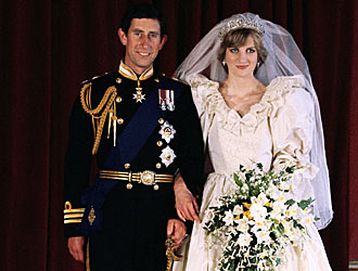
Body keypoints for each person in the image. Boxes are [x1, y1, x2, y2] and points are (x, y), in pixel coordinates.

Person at [173, 13, 333, 270]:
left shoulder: (281, 100)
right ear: (223, 54)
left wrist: (266, 204)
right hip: (218, 201)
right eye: (234, 49)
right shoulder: (204, 98)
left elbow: (290, 159)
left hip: (268, 203)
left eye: (250, 50)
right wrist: (180, 184)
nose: (242, 58)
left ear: (260, 55)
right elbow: (185, 150)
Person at [63, 4, 204, 271]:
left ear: (162, 42)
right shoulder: (94, 92)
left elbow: (193, 156)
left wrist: (178, 215)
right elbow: (76, 163)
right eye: (137, 33)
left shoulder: (178, 95)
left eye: (152, 35)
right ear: (122, 36)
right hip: (110, 214)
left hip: (159, 214)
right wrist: (74, 226)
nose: (144, 43)